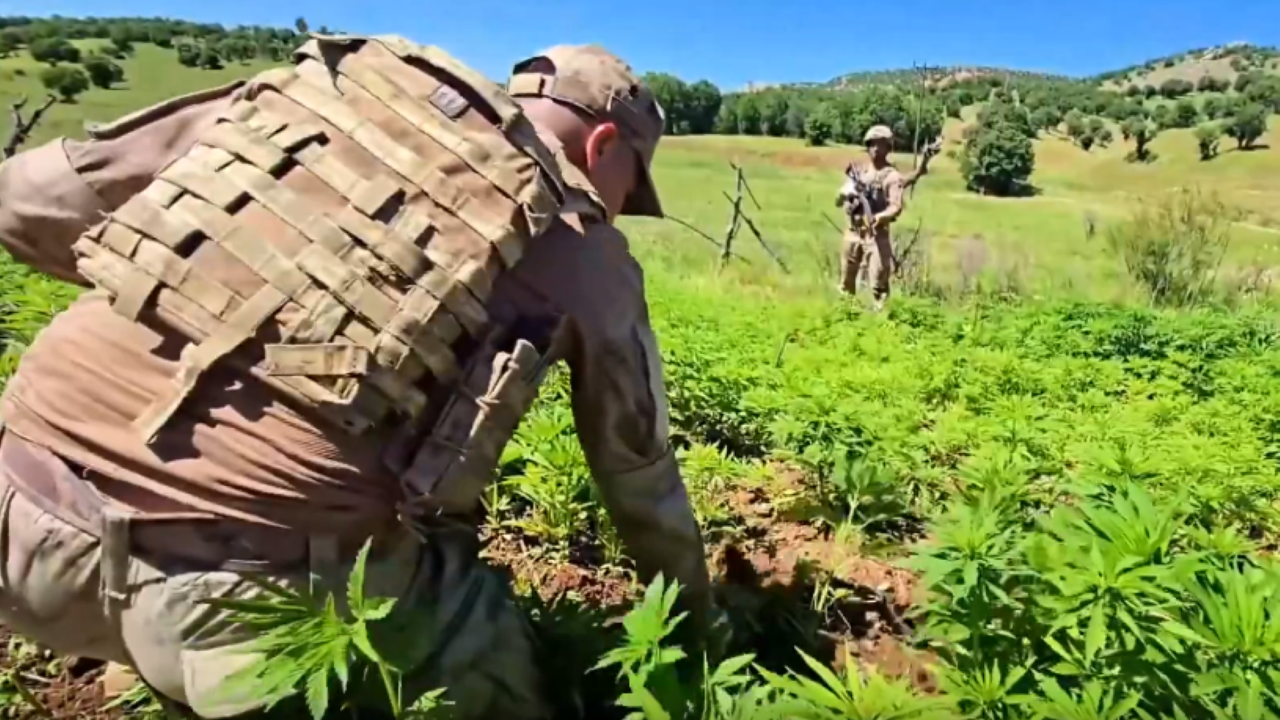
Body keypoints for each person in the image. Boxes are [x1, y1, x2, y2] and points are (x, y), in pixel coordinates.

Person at [0, 35, 711, 719]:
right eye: (630, 190)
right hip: (238, 607)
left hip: (16, 512)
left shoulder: (311, 95)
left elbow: (27, 200)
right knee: (495, 672)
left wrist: (172, 286)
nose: (621, 212)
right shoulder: (586, 251)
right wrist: (694, 626)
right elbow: (640, 475)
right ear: (604, 146)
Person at [836, 124, 905, 309]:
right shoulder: (860, 174)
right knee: (845, 283)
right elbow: (839, 199)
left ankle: (881, 328)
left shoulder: (892, 176)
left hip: (876, 235)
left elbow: (896, 207)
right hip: (853, 233)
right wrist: (846, 195)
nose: (875, 148)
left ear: (888, 147)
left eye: (880, 144)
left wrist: (881, 217)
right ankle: (845, 319)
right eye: (872, 144)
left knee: (879, 287)